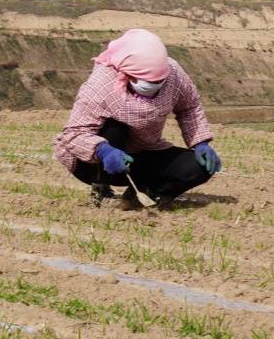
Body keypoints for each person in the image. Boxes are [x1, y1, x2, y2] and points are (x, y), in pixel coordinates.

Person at [54, 28, 222, 209]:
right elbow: (74, 133)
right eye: (147, 81)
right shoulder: (101, 84)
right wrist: (103, 150)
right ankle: (101, 188)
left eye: (159, 81)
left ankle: (146, 193)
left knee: (200, 167)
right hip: (99, 161)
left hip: (143, 152)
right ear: (127, 73)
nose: (154, 86)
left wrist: (200, 142)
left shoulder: (173, 74)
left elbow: (189, 106)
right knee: (115, 129)